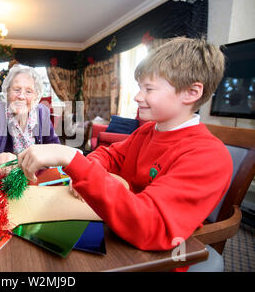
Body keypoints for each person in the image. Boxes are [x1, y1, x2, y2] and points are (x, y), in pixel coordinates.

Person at [17, 38, 233, 262]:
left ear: (191, 92)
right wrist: (89, 170)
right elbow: (109, 155)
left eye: (149, 89)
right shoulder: (147, 132)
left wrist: (72, 158)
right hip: (117, 233)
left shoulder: (208, 156)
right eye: (140, 88)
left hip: (154, 259)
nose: (138, 97)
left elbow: (150, 227)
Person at [0, 64, 60, 175]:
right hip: (5, 180)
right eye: (16, 89)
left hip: (37, 177)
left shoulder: (42, 113)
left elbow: (55, 147)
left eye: (28, 91)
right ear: (7, 91)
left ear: (36, 96)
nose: (21, 96)